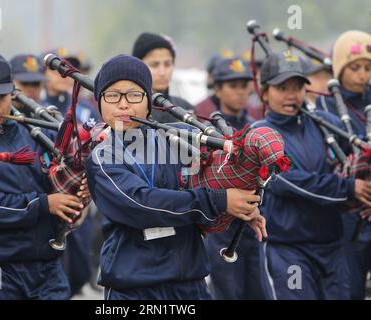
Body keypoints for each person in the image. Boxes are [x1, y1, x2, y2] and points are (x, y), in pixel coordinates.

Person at [86, 54, 266, 300]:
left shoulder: (177, 138)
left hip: (190, 284)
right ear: (99, 102)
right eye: (113, 95)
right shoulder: (103, 156)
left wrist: (244, 203)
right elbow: (143, 204)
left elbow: (218, 172)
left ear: (149, 101)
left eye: (135, 95)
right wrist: (220, 201)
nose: (124, 105)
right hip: (134, 289)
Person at [0, 51, 87, 300]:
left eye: (0, 96)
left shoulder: (35, 133)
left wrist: (79, 187)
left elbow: (61, 179)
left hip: (47, 266)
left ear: (11, 94)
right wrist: (42, 204)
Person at [253, 50, 371, 300]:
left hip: (332, 247)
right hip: (289, 251)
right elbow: (289, 181)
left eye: (298, 86)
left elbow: (360, 155)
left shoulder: (325, 123)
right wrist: (350, 188)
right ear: (264, 92)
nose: (291, 95)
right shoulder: (259, 135)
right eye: (282, 87)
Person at [201, 57, 266, 300]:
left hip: (252, 221)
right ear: (217, 89)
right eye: (233, 85)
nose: (241, 91)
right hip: (221, 225)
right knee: (230, 293)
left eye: (244, 84)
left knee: (259, 292)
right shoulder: (208, 132)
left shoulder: (256, 127)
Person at [316, 30, 371, 300]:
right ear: (339, 69)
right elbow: (329, 161)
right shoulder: (325, 107)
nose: (362, 75)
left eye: (368, 68)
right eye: (355, 68)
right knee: (350, 288)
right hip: (348, 211)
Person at [132, 32, 194, 123]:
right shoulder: (129, 110)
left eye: (167, 64)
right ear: (137, 66)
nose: (162, 72)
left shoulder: (185, 108)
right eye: (154, 65)